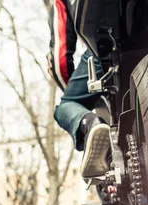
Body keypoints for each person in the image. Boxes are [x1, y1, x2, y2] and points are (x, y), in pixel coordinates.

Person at [47, 0, 110, 179]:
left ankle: (90, 124)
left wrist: (78, 99)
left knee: (66, 107)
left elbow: (60, 63)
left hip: (107, 45)